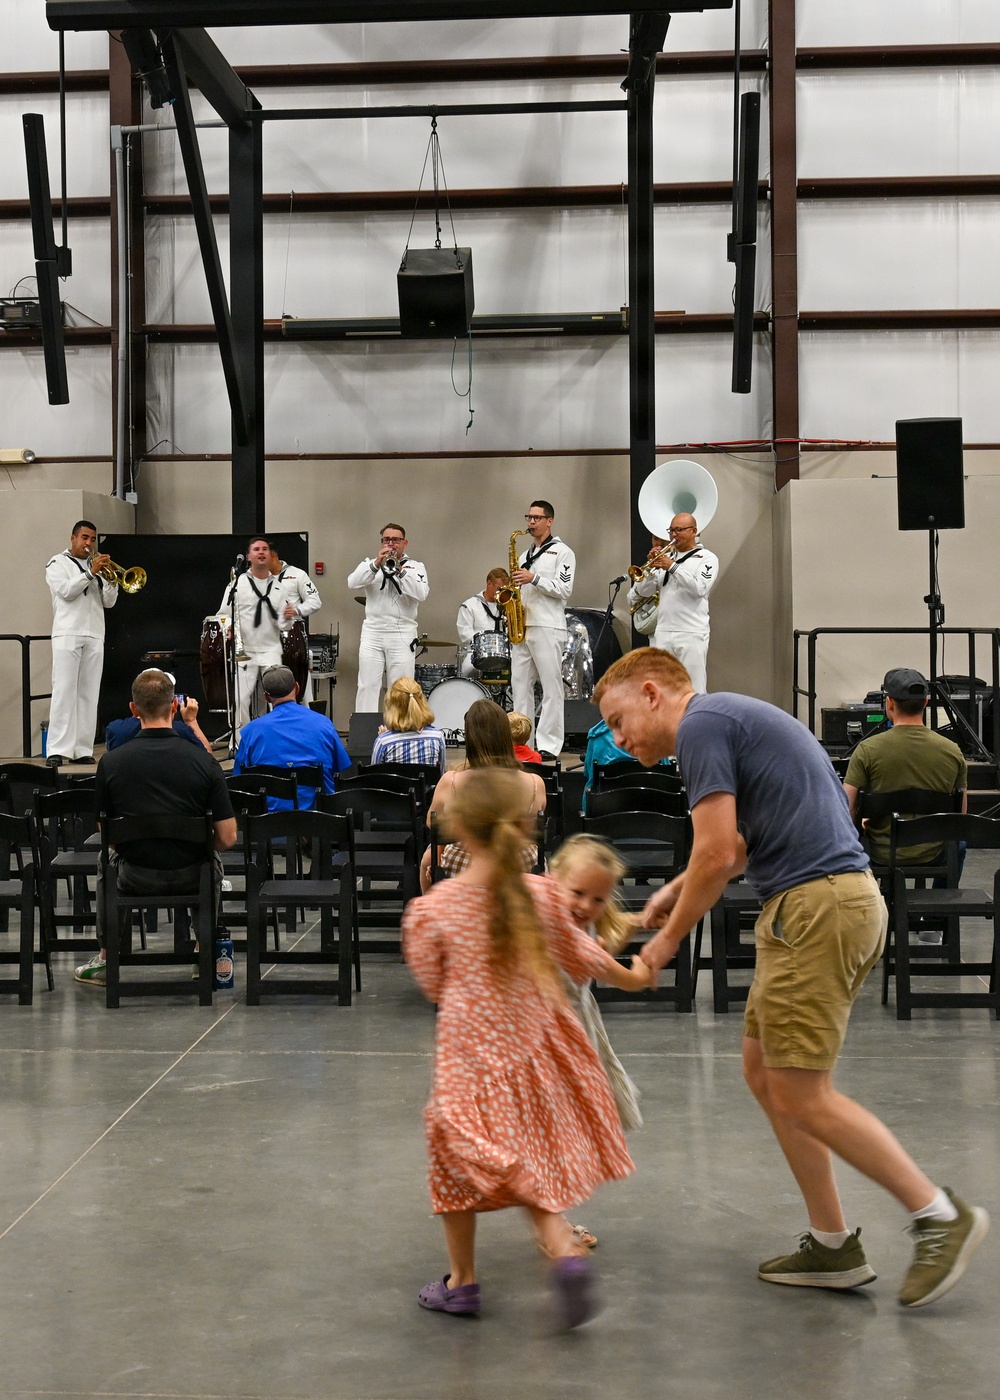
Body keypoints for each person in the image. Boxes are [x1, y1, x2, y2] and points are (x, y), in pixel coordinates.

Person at [594, 646, 989, 1310]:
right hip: (819, 904)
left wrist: (664, 942)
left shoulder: (699, 727)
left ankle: (939, 1216)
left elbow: (718, 852)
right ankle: (832, 1245)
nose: (614, 735)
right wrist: (674, 890)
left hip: (819, 907)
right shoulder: (727, 721)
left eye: (616, 716)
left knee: (802, 1092)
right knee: (764, 1072)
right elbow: (743, 842)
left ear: (654, 691)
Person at [401, 767, 653, 1326]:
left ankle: (462, 1282)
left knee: (453, 1157)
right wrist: (635, 976)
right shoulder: (543, 896)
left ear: (458, 831)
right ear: (524, 827)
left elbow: (432, 982)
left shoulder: (434, 910)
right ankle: (562, 1253)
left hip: (469, 1057)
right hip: (534, 1049)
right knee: (528, 1149)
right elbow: (584, 958)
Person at [75, 669, 236, 987]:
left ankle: (108, 959)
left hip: (134, 875)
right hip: (192, 874)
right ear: (174, 708)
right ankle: (206, 955)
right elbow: (228, 837)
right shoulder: (204, 762)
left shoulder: (112, 762)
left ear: (134, 710)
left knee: (105, 861)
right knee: (210, 859)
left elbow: (105, 832)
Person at [843, 667, 967, 865]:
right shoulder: (952, 751)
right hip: (933, 853)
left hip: (879, 852)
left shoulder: (867, 749)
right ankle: (943, 894)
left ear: (890, 702)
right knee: (958, 844)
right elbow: (960, 815)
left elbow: (845, 808)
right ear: (925, 702)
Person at [419, 699, 545, 892]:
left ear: (470, 738)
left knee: (427, 861)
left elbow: (432, 824)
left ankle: (431, 911)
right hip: (520, 863)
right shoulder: (535, 783)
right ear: (505, 735)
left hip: (464, 863)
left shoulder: (451, 781)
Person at [44, 520, 118, 767]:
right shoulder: (57, 563)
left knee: (89, 693)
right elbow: (66, 591)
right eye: (84, 537)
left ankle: (82, 748)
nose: (89, 543)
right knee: (64, 690)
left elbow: (108, 602)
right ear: (73, 538)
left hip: (95, 633)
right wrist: (90, 573)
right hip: (68, 633)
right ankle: (57, 749)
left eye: (93, 539)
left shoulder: (94, 567)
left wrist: (113, 580)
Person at [232, 664, 351, 811]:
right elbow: (341, 771)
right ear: (296, 688)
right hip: (319, 823)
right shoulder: (323, 724)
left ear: (266, 697)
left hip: (269, 826)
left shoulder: (250, 732)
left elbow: (240, 780)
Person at [510, 500, 575, 760]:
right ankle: (521, 741)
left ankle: (549, 744)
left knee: (551, 687)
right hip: (523, 626)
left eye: (537, 518)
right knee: (520, 687)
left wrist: (533, 578)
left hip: (548, 625)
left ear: (550, 521)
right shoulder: (525, 555)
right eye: (529, 517)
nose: (532, 522)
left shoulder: (563, 552)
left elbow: (564, 589)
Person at [627, 515, 718, 693]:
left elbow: (699, 588)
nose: (673, 535)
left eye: (679, 530)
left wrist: (672, 567)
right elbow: (644, 592)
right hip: (662, 632)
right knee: (661, 688)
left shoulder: (707, 558)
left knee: (693, 688)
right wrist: (651, 571)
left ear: (693, 531)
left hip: (691, 632)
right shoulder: (667, 556)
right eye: (671, 530)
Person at [217, 536, 298, 733]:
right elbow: (222, 615)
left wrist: (288, 618)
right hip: (246, 651)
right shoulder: (237, 585)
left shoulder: (280, 587)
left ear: (271, 555)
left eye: (265, 549)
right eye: (256, 549)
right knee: (241, 700)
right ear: (249, 556)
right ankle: (240, 741)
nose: (261, 552)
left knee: (277, 700)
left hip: (271, 651)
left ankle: (275, 738)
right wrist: (227, 629)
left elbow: (285, 627)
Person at [347, 523, 429, 713]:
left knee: (400, 687)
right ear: (381, 542)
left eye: (396, 540)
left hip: (402, 633)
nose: (391, 544)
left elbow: (421, 594)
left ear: (405, 543)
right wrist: (376, 564)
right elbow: (352, 582)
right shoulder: (369, 563)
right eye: (387, 540)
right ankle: (365, 735)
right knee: (367, 685)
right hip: (372, 633)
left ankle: (399, 730)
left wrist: (401, 570)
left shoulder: (416, 567)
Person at [268, 544, 323, 702]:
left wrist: (297, 610)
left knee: (299, 678)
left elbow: (315, 601)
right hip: (265, 634)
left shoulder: (297, 574)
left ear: (273, 556)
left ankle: (303, 713)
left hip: (291, 633)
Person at [369, 676, 447, 773]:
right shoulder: (437, 737)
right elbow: (441, 775)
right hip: (427, 788)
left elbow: (374, 780)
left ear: (392, 707)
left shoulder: (383, 742)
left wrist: (386, 738)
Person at [106, 684, 212, 753]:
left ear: (133, 707)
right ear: (174, 705)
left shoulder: (116, 729)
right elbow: (209, 763)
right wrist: (191, 721)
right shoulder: (181, 730)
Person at [456, 567, 508, 678]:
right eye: (499, 589)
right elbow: (465, 635)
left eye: (505, 589)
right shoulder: (469, 606)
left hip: (505, 654)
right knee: (467, 669)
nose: (502, 593)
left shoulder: (508, 606)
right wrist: (487, 645)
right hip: (477, 654)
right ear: (489, 583)